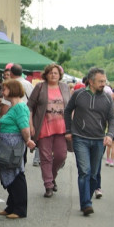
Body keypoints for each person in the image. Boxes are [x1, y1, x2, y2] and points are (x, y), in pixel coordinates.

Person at [64, 67, 114, 216]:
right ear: (91, 82)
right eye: (100, 81)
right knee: (84, 172)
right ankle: (86, 203)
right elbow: (67, 111)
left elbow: (112, 118)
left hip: (99, 140)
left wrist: (110, 134)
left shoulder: (107, 98)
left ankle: (87, 198)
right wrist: (68, 130)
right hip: (80, 138)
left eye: (104, 81)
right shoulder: (79, 95)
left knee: (93, 174)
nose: (103, 84)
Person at [27, 63, 71, 198]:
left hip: (61, 127)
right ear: (46, 74)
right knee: (45, 158)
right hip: (44, 126)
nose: (53, 75)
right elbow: (29, 107)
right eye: (51, 72)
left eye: (56, 73)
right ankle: (48, 186)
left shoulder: (64, 87)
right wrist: (31, 125)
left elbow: (70, 108)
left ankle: (51, 177)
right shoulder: (40, 87)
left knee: (61, 156)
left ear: (60, 75)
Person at [0, 80, 36, 219]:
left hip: (13, 147)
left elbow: (24, 127)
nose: (2, 92)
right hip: (8, 146)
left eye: (5, 89)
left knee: (17, 175)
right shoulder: (14, 106)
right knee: (11, 174)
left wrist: (27, 140)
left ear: (12, 89)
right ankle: (11, 205)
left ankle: (19, 209)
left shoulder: (19, 107)